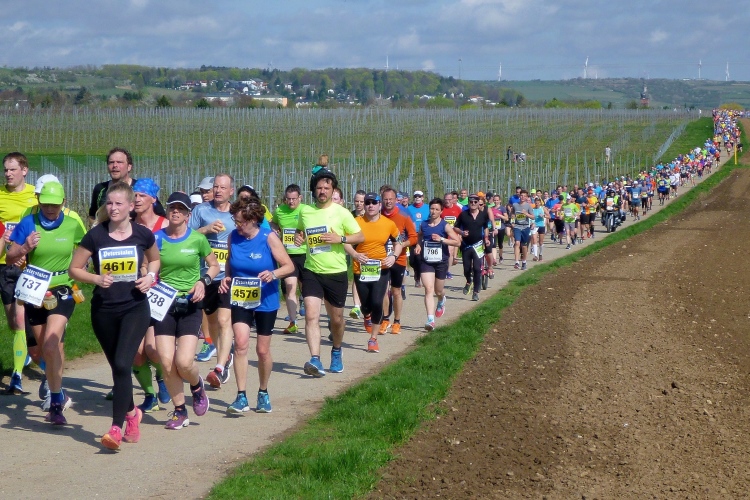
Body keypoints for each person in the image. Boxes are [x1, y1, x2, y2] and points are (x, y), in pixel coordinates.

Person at [69, 181, 162, 451]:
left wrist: (150, 277)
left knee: (122, 363)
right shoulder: (95, 236)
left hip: (134, 307)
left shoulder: (143, 234)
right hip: (104, 310)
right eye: (109, 203)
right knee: (118, 368)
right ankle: (132, 414)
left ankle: (115, 429)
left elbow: (155, 260)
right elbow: (75, 268)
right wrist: (96, 278)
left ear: (131, 206)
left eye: (119, 203)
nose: (113, 208)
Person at [6, 181, 84, 424]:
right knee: (42, 350)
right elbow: (9, 257)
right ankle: (58, 393)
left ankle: (56, 402)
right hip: (35, 291)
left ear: (63, 203)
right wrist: (25, 248)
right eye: (46, 204)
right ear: (39, 202)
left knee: (51, 345)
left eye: (55, 205)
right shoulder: (28, 223)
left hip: (63, 289)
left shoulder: (72, 224)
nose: (50, 209)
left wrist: (82, 269)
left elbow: (87, 250)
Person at [153, 192, 219, 429]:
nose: (176, 212)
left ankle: (196, 385)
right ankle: (180, 410)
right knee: (166, 361)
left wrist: (203, 282)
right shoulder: (157, 238)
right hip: (164, 304)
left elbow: (214, 265)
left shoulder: (197, 239)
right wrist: (147, 277)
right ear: (167, 211)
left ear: (188, 215)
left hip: (190, 304)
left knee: (183, 361)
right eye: (172, 208)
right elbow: (147, 265)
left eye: (181, 209)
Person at [293, 160, 364, 377]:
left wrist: (339, 238)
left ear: (333, 190)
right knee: (311, 316)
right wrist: (298, 237)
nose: (322, 191)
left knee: (337, 320)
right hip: (312, 271)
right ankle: (315, 359)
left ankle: (336, 350)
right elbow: (300, 231)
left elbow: (360, 236)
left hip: (336, 272)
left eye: (326, 187)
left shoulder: (342, 213)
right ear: (313, 190)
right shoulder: (305, 212)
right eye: (319, 188)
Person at [189, 174, 236, 388]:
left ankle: (220, 368)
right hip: (205, 275)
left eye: (222, 187)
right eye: (215, 187)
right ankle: (225, 352)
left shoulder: (236, 213)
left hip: (227, 275)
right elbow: (187, 236)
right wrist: (205, 230)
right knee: (213, 321)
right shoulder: (201, 211)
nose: (218, 190)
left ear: (231, 191)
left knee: (225, 320)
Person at [130, 178, 171, 412]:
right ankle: (149, 395)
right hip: (134, 293)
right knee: (136, 354)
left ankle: (163, 376)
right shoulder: (126, 225)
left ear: (153, 199)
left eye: (142, 195)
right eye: (134, 195)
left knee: (153, 349)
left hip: (161, 294)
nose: (137, 199)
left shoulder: (166, 224)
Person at [346, 192, 402, 353]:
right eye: (367, 202)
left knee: (377, 302)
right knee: (366, 305)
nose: (370, 205)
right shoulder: (356, 222)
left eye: (374, 202)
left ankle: (373, 339)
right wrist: (355, 254)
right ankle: (366, 315)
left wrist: (393, 257)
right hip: (361, 269)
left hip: (381, 269)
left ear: (379, 205)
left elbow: (398, 242)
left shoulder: (388, 224)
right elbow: (345, 242)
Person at [1, 152, 38, 395]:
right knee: (14, 322)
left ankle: (16, 376)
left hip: (30, 265)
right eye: (5, 169)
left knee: (24, 319)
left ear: (24, 170)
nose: (8, 173)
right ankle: (27, 351)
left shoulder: (36, 195)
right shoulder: (0, 196)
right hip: (5, 264)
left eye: (12, 169)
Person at [414, 198, 460, 331]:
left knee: (438, 290)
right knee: (428, 289)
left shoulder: (445, 226)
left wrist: (442, 239)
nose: (433, 211)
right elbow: (420, 236)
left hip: (441, 261)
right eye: (432, 209)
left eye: (436, 209)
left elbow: (457, 242)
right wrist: (418, 245)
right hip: (427, 261)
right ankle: (430, 319)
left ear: (441, 211)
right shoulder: (424, 224)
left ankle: (441, 300)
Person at [88, 147, 165, 222]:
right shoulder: (100, 189)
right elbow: (92, 215)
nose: (115, 165)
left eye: (119, 162)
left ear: (129, 167)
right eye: (111, 162)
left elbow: (161, 217)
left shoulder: (140, 188)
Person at [379, 187, 417, 334]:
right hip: (381, 259)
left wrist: (402, 244)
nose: (388, 202)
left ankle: (397, 321)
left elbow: (413, 237)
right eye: (385, 199)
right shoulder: (377, 215)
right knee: (383, 290)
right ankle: (385, 319)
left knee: (396, 291)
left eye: (391, 199)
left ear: (396, 200)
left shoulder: (404, 216)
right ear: (382, 200)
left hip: (398, 259)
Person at [271, 184, 307, 335]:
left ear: (300, 198)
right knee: (290, 287)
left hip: (305, 254)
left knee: (307, 290)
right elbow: (273, 222)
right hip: (287, 256)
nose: (291, 202)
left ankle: (311, 319)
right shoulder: (280, 211)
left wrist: (304, 238)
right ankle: (293, 322)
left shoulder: (306, 210)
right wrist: (274, 228)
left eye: (294, 199)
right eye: (288, 199)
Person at [454, 194, 490, 301]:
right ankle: (469, 281)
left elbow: (486, 227)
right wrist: (461, 232)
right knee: (466, 269)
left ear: (479, 203)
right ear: (468, 203)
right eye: (471, 202)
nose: (473, 204)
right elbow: (455, 227)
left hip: (478, 245)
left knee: (477, 269)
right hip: (466, 245)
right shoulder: (463, 215)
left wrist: (486, 238)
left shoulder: (483, 215)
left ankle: (475, 292)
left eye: (475, 202)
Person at [348, 190, 366, 319]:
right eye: (356, 201)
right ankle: (356, 306)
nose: (359, 204)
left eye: (361, 201)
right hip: (355, 250)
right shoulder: (350, 216)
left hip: (369, 250)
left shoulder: (370, 215)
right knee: (356, 277)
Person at [406, 190, 429, 287]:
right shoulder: (409, 209)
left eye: (419, 196)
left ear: (422, 198)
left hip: (423, 235)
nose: (417, 198)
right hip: (412, 235)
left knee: (419, 257)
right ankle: (417, 271)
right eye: (416, 196)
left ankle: (418, 278)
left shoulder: (428, 208)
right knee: (412, 259)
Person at [511, 189, 534, 270]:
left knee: (524, 246)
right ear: (519, 196)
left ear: (527, 197)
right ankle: (517, 262)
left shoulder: (528, 206)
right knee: (517, 243)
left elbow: (533, 217)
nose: (523, 197)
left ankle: (524, 261)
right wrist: (512, 221)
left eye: (524, 196)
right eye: (521, 195)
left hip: (525, 227)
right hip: (517, 226)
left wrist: (526, 214)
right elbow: (512, 214)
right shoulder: (515, 205)